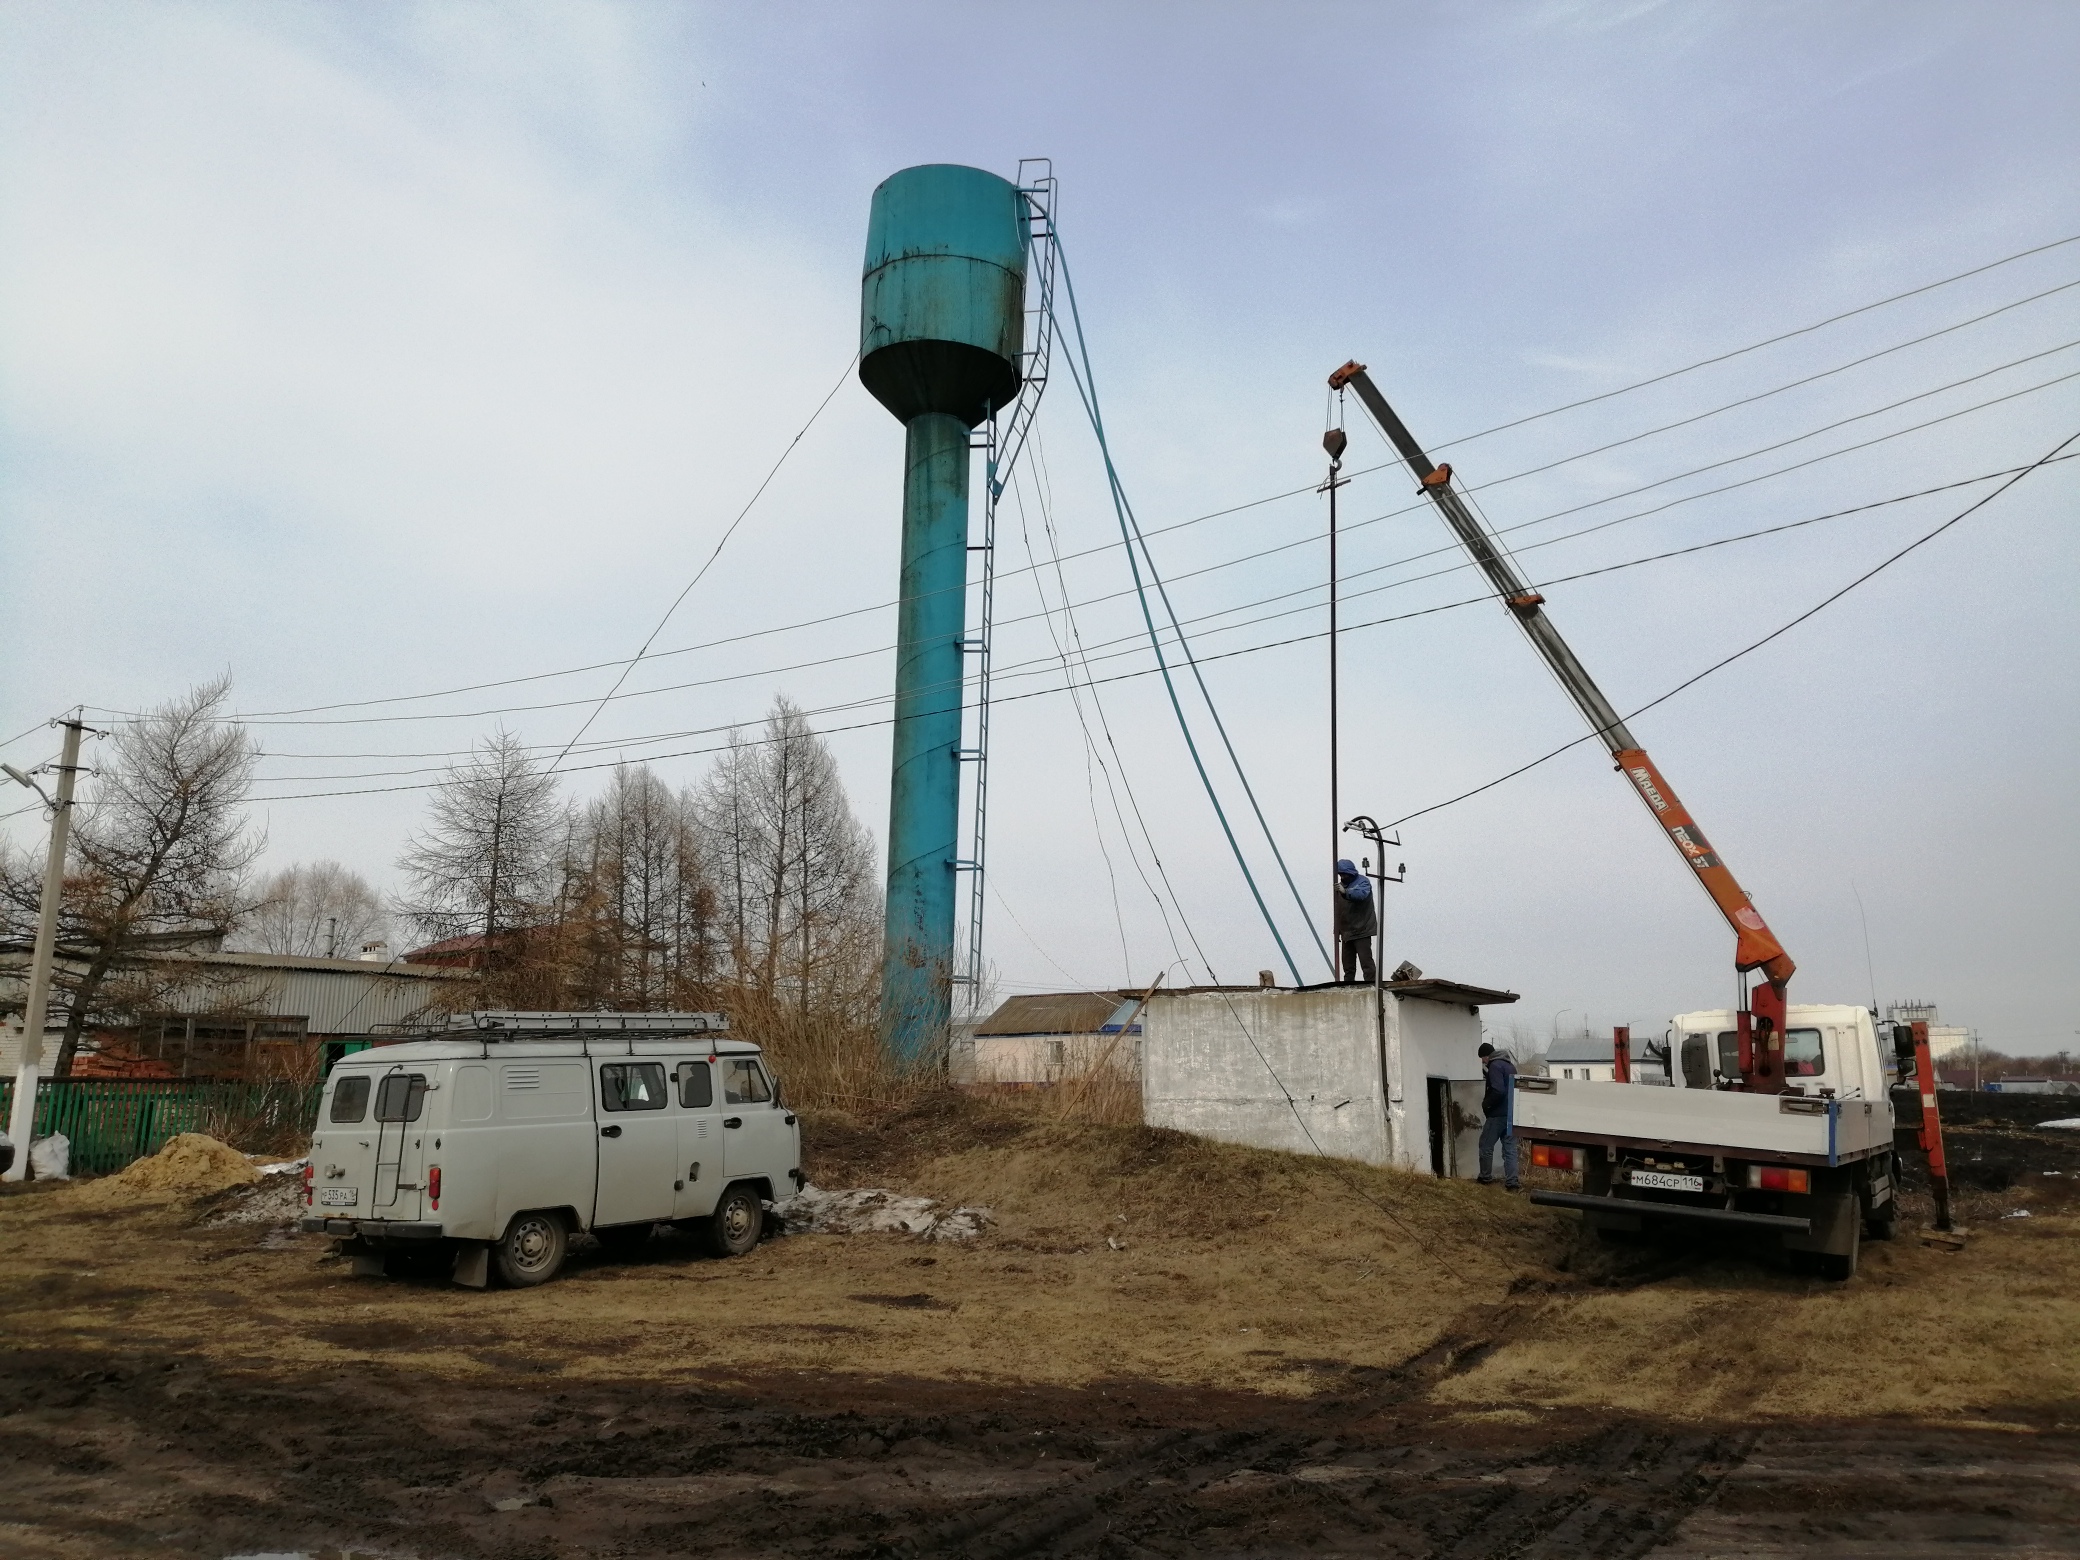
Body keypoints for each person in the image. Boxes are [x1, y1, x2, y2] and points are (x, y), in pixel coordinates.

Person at [1476, 1041, 1519, 1190]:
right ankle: (1512, 1183)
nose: (1482, 1061)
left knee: (1486, 1145)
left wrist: (1486, 1104)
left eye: (1482, 1057)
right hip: (1512, 1114)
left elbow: (1498, 1090)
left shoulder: (1495, 1066)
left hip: (1497, 1115)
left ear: (1488, 1056)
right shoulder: (1510, 1066)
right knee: (1510, 1149)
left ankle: (1485, 1177)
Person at [1333, 859, 1377, 984]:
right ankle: (1348, 987)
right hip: (1347, 932)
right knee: (1348, 966)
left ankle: (1371, 985)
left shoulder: (1363, 882)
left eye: (1344, 873)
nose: (1343, 876)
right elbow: (1338, 910)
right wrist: (1337, 931)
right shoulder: (1340, 887)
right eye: (1341, 874)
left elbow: (1360, 895)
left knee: (1366, 962)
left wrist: (1345, 892)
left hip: (1362, 930)